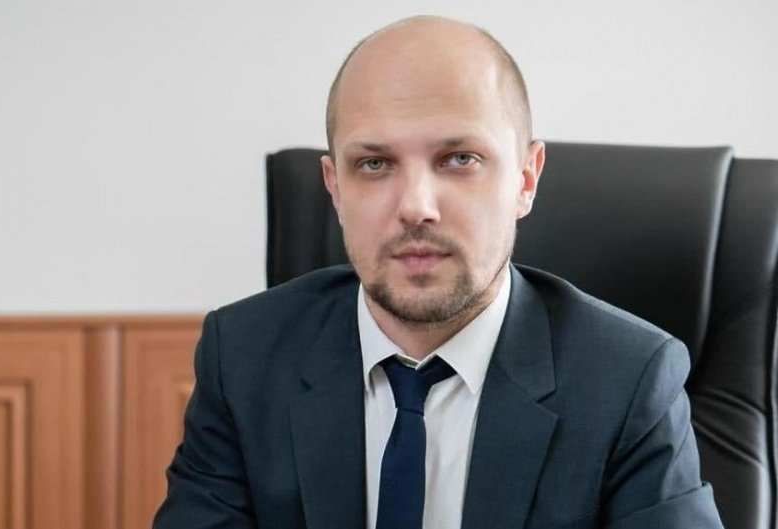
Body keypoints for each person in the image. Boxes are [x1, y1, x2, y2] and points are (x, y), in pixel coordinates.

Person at [153, 15, 724, 529]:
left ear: (525, 179)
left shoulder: (628, 380)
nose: (416, 206)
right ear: (335, 188)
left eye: (459, 159)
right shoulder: (244, 357)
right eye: (374, 164)